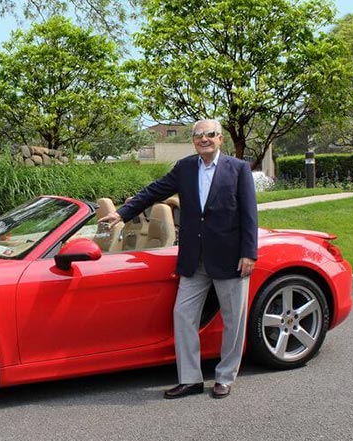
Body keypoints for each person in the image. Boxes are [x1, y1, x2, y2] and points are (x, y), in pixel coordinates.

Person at [99, 119, 258, 399]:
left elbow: (249, 214)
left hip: (230, 258)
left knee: (233, 321)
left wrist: (249, 253)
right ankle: (190, 379)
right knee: (183, 316)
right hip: (193, 260)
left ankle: (225, 376)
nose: (203, 139)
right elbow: (153, 191)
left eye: (209, 134)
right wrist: (123, 213)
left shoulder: (238, 169)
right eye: (198, 135)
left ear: (220, 138)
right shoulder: (185, 168)